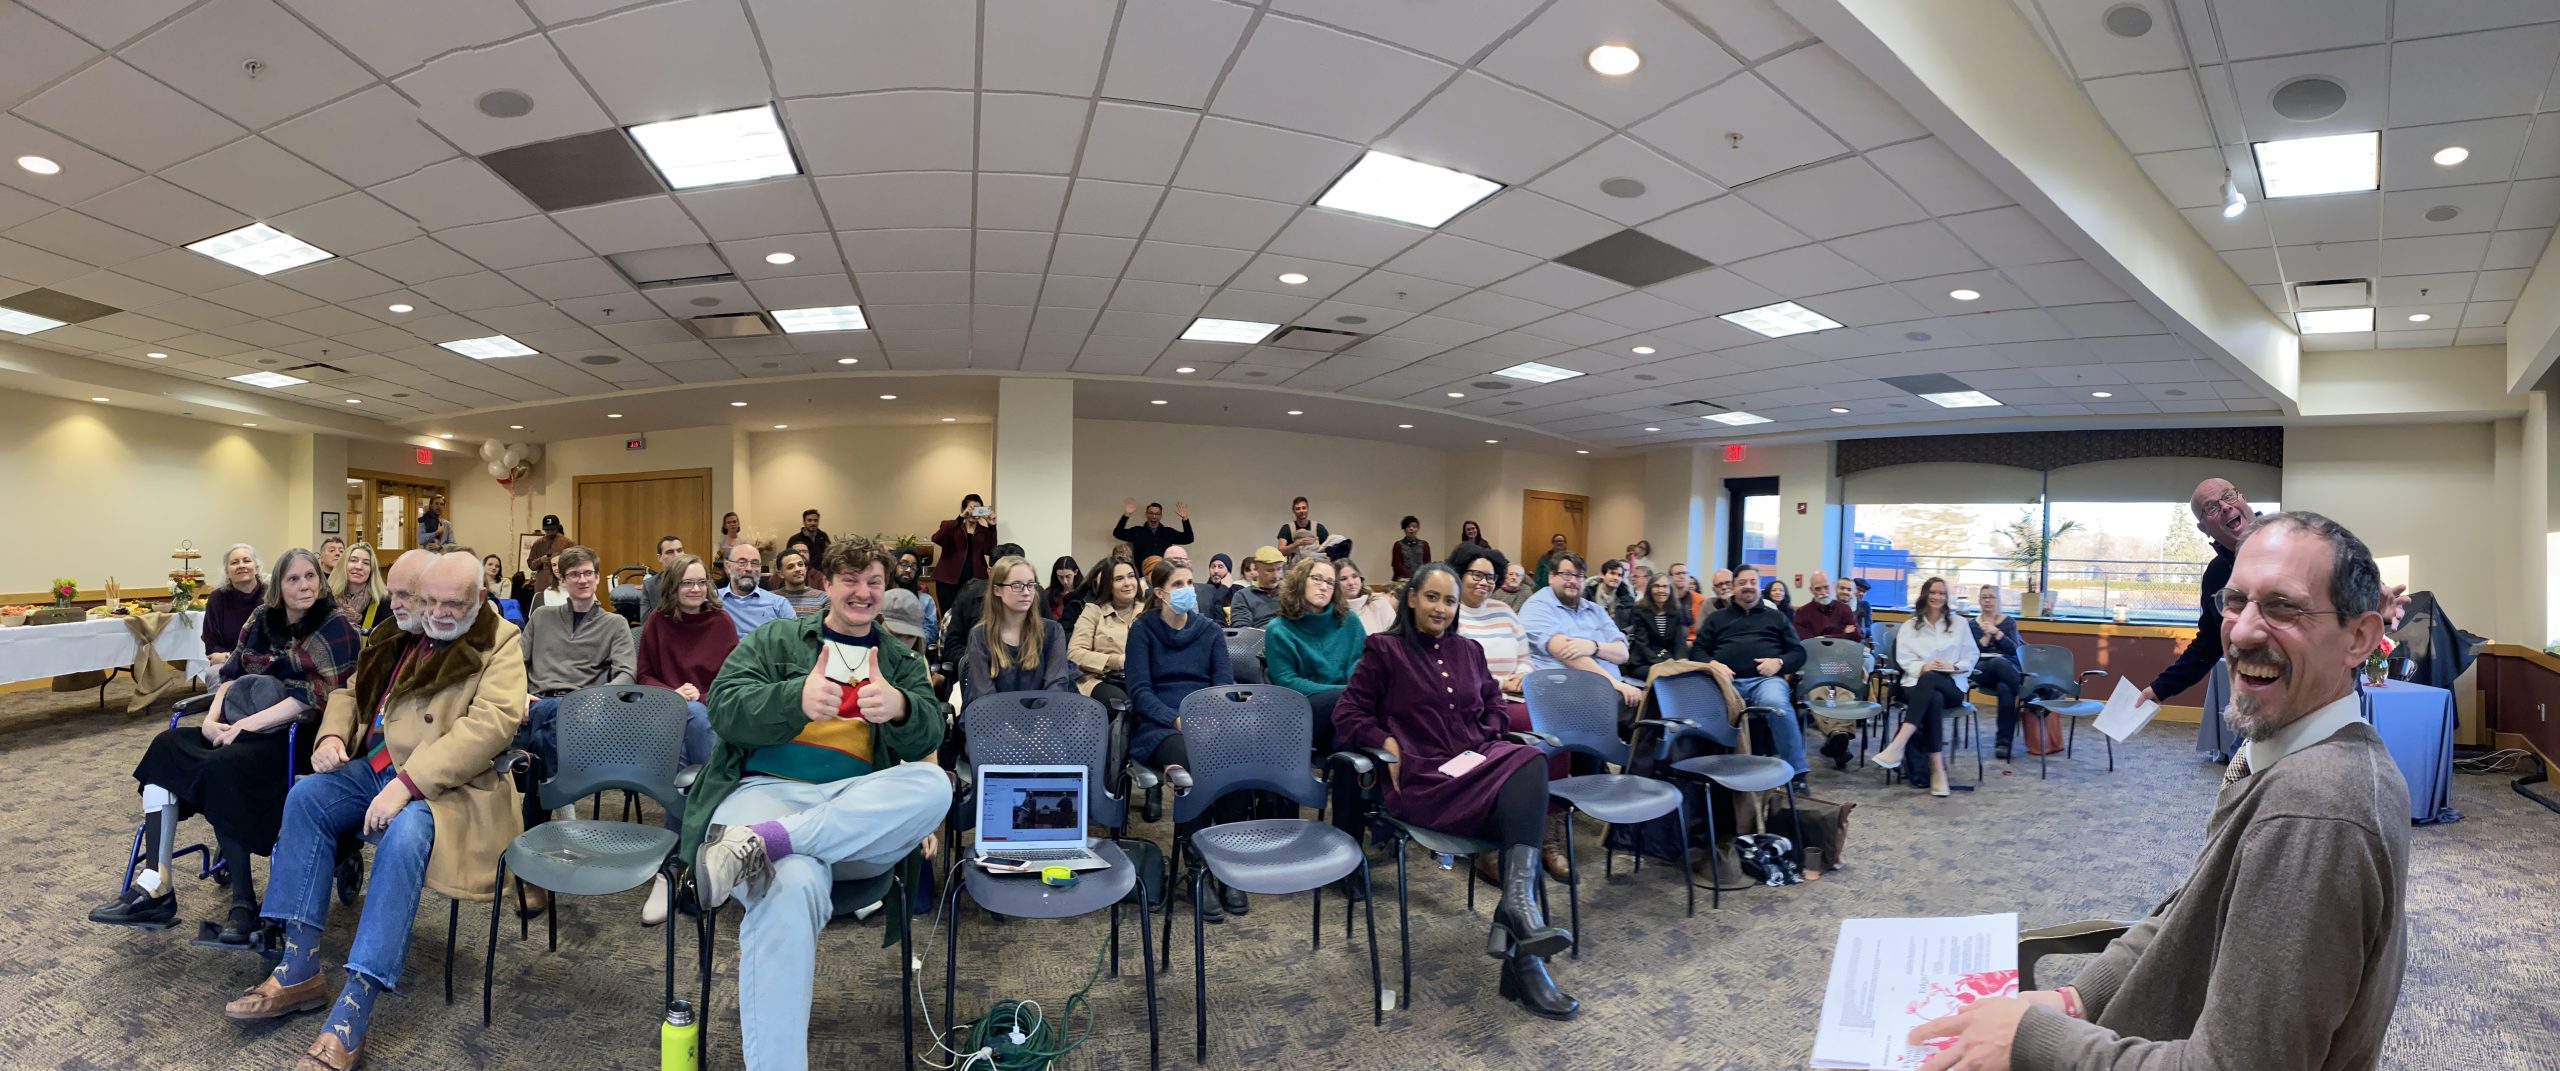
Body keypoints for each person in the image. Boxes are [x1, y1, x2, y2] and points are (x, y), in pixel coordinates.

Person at [1910, 511, 2407, 1071]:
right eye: (2237, 601)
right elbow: (2191, 912)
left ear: (2360, 637)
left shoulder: (2316, 811)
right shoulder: (2285, 753)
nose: (2241, 632)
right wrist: (2074, 1000)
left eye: (2283, 607)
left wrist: (2034, 1043)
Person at [221, 552, 525, 1071]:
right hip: (375, 768)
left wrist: (408, 784)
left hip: (447, 787)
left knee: (405, 836)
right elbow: (350, 690)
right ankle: (298, 969)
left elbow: (492, 726)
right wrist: (334, 733)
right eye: (430, 600)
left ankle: (353, 1008)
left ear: (480, 598)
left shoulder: (499, 642)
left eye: (455, 603)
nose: (440, 612)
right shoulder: (399, 629)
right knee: (308, 797)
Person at [681, 537, 952, 1071]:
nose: (863, 592)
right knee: (792, 882)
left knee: (936, 786)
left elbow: (928, 732)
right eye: (850, 580)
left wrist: (899, 708)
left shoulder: (899, 660)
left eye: (874, 581)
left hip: (853, 812)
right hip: (765, 793)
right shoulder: (775, 639)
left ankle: (763, 843)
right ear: (825, 585)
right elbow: (726, 711)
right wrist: (793, 700)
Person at [1331, 562, 1579, 1021]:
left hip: (1474, 768)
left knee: (1531, 758)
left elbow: (1494, 708)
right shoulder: (1385, 650)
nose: (1441, 608)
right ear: (1411, 599)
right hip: (1424, 780)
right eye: (1432, 598)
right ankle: (1525, 951)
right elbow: (1347, 714)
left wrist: (1482, 737)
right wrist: (1385, 741)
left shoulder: (1469, 651)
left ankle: (1520, 920)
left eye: (1449, 600)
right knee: (1525, 776)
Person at [92, 548, 361, 941]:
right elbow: (232, 672)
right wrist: (214, 722)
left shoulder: (334, 625)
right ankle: (156, 883)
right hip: (240, 724)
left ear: (320, 581)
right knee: (166, 746)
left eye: (310, 577)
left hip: (296, 733)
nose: (303, 585)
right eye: (293, 579)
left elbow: (317, 697)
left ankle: (244, 903)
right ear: (279, 587)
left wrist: (245, 727)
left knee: (224, 768)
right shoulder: (261, 620)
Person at [1125, 558, 1246, 916]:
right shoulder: (1143, 630)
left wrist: (1208, 719)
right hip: (1160, 724)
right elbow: (1140, 690)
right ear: (1160, 592)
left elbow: (1223, 685)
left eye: (1190, 582)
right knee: (1193, 763)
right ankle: (1197, 868)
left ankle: (1227, 863)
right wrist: (1176, 720)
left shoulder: (1208, 630)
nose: (1187, 590)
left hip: (1208, 719)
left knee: (1236, 760)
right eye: (1178, 585)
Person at [518, 545, 636, 910]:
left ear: (598, 578)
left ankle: (532, 868)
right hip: (536, 708)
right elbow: (514, 664)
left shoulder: (615, 624)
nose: (582, 580)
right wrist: (518, 693)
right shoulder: (541, 619)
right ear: (563, 580)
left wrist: (594, 700)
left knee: (539, 747)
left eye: (588, 573)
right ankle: (558, 801)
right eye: (574, 575)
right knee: (542, 737)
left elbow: (626, 675)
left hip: (584, 712)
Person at [629, 551, 736, 924]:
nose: (695, 588)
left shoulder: (721, 622)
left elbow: (731, 680)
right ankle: (709, 848)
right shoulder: (657, 622)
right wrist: (675, 693)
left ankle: (670, 865)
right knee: (683, 725)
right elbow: (644, 676)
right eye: (687, 582)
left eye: (701, 581)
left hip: (712, 719)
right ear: (672, 587)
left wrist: (698, 697)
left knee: (690, 730)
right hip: (668, 713)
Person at [1695, 564, 1810, 783]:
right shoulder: (1717, 619)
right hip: (1725, 682)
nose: (1748, 587)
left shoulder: (1776, 618)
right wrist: (1712, 664)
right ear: (1733, 587)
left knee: (1777, 706)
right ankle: (1709, 773)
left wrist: (1779, 662)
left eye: (1753, 582)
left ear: (1760, 587)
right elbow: (1696, 651)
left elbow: (1799, 652)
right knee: (1703, 708)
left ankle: (1797, 773)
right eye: (1742, 583)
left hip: (1765, 682)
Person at [1875, 577, 1974, 797]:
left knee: (1933, 683)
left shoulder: (1959, 624)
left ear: (1947, 598)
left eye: (1942, 593)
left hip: (1952, 685)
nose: (1937, 597)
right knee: (1932, 695)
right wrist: (1924, 667)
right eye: (1933, 592)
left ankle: (1898, 743)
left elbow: (1971, 656)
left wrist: (1953, 665)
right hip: (1916, 683)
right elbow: (1903, 658)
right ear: (1925, 595)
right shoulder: (1910, 626)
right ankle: (1937, 769)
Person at [1265, 556, 1365, 756]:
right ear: (1300, 581)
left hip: (1350, 706)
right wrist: (1345, 691)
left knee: (1349, 733)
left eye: (1330, 582)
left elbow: (1362, 666)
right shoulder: (1278, 629)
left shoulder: (1349, 621)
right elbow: (1287, 682)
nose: (1324, 587)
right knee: (1351, 711)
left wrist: (1352, 692)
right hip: (1304, 708)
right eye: (1317, 579)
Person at [1519, 552, 1643, 707]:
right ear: (1551, 577)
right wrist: (1614, 684)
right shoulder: (1537, 606)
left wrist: (1593, 646)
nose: (1573, 581)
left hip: (1609, 689)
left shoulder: (1595, 610)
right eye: (1567, 574)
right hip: (1567, 693)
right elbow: (1568, 653)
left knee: (1657, 706)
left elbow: (1623, 654)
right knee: (1649, 712)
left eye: (1579, 576)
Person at [963, 555, 1075, 709]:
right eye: (1016, 585)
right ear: (997, 590)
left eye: (1030, 585)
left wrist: (1036, 724)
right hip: (993, 723)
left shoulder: (1053, 631)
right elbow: (984, 696)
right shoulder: (980, 635)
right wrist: (1012, 728)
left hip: (1042, 721)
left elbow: (1056, 687)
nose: (1026, 592)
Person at [1796, 571, 1865, 767]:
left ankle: (1836, 735)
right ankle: (1840, 733)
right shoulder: (1802, 613)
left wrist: (1824, 639)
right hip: (1815, 662)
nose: (1823, 591)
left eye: (1826, 587)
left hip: (1841, 660)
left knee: (1846, 690)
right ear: (1811, 590)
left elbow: (1856, 637)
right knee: (1818, 691)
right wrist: (1841, 635)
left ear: (1831, 586)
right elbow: (1806, 642)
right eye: (1818, 588)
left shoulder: (1844, 609)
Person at [1068, 557, 1141, 702]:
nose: (1128, 583)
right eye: (1119, 579)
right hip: (1101, 680)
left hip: (1142, 679)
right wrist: (1116, 661)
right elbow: (1074, 654)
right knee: (1120, 703)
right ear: (1108, 584)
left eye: (1131, 576)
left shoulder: (1148, 611)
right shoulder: (1093, 611)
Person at [1973, 585, 2027, 761]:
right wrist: (1986, 635)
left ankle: (2003, 744)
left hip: (2007, 670)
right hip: (1982, 670)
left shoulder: (2008, 622)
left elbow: (2014, 650)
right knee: (1997, 662)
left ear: (1998, 600)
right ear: (1980, 601)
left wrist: (1997, 633)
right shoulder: (1972, 624)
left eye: (1992, 597)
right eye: (1984, 597)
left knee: (2005, 689)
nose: (1988, 600)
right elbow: (1971, 653)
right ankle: (2030, 693)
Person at [930, 493, 999, 610]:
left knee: (973, 616)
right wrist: (960, 518)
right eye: (971, 508)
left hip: (975, 581)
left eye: (977, 509)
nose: (973, 512)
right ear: (963, 509)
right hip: (948, 581)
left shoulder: (984, 531)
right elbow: (937, 539)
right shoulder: (951, 525)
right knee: (948, 614)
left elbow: (990, 551)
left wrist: (992, 527)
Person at [719, 543, 797, 638]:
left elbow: (794, 643)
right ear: (728, 566)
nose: (749, 568)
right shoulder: (712, 601)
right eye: (742, 562)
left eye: (755, 563)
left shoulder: (778, 605)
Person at [204, 543, 264, 666]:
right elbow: (211, 645)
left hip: (266, 664)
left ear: (256, 568)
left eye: (247, 561)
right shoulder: (217, 599)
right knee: (214, 676)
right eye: (234, 562)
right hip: (228, 665)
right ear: (227, 572)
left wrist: (229, 656)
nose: (241, 565)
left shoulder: (272, 595)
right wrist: (230, 659)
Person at [1620, 574, 1687, 679]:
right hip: (1643, 661)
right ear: (1650, 589)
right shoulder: (1639, 610)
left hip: (1668, 658)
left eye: (1665, 586)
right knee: (1661, 675)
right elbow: (1642, 644)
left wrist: (1678, 662)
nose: (1661, 590)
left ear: (1670, 590)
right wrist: (1662, 665)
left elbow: (1680, 642)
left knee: (1682, 675)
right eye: (1656, 586)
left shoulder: (1677, 611)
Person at [890, 547, 941, 653]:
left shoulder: (926, 601)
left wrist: (907, 642)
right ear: (894, 565)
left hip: (915, 654)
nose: (908, 570)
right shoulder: (881, 597)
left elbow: (930, 634)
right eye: (903, 564)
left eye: (913, 567)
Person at [331, 543, 389, 633]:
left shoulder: (383, 602)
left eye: (366, 563)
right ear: (343, 565)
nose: (359, 567)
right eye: (353, 560)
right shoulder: (328, 598)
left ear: (371, 570)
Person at [1113, 498, 1194, 562]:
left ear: (1160, 516)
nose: (1154, 516)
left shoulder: (1168, 532)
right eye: (1151, 513)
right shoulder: (1137, 532)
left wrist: (1185, 518)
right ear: (1146, 514)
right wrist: (1127, 514)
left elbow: (1188, 538)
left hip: (1163, 575)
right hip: (1142, 575)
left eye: (1157, 514)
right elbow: (1118, 533)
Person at [1224, 545, 1285, 629]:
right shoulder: (1242, 596)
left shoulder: (1290, 592)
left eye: (1279, 569)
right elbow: (1242, 630)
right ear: (1256, 569)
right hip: (1260, 639)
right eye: (1270, 570)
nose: (1276, 576)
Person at [1336, 559, 1396, 636]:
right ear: (1335, 584)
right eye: (1343, 579)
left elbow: (1396, 639)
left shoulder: (1379, 604)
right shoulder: (1332, 612)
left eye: (1354, 576)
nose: (1351, 583)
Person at [525, 514, 570, 598]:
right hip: (542, 585)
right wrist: (540, 560)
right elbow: (531, 564)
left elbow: (574, 563)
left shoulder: (567, 543)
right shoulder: (538, 543)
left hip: (561, 584)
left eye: (552, 529)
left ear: (557, 527)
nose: (550, 532)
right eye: (547, 530)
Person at [774, 549, 827, 616]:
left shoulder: (823, 598)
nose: (797, 569)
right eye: (790, 567)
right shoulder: (771, 598)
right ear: (781, 574)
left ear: (806, 569)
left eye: (800, 564)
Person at [641, 534, 686, 612]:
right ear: (660, 558)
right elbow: (646, 622)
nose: (676, 555)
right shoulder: (649, 585)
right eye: (670, 552)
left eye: (679, 550)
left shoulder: (701, 579)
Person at [1044, 555, 1085, 630]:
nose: (1065, 581)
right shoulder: (1048, 594)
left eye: (1068, 576)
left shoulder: (1085, 592)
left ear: (1075, 572)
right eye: (1060, 577)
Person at [1199, 552, 1238, 625]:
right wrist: (1224, 588)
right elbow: (1211, 606)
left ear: (1229, 571)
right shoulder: (1203, 591)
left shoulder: (1238, 590)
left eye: (1220, 567)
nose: (1216, 571)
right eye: (1213, 566)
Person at [1389, 515, 1432, 582]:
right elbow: (1396, 564)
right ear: (1404, 528)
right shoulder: (1398, 545)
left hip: (1420, 579)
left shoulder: (1424, 544)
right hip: (1402, 579)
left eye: (1414, 527)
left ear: (1418, 529)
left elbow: (1427, 563)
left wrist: (1420, 575)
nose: (1411, 529)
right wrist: (1409, 576)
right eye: (1408, 526)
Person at [1850, 578, 1877, 642]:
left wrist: (1859, 630)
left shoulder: (1865, 605)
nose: (1861, 594)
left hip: (1858, 638)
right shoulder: (1841, 604)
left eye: (1864, 592)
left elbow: (1869, 627)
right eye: (1859, 590)